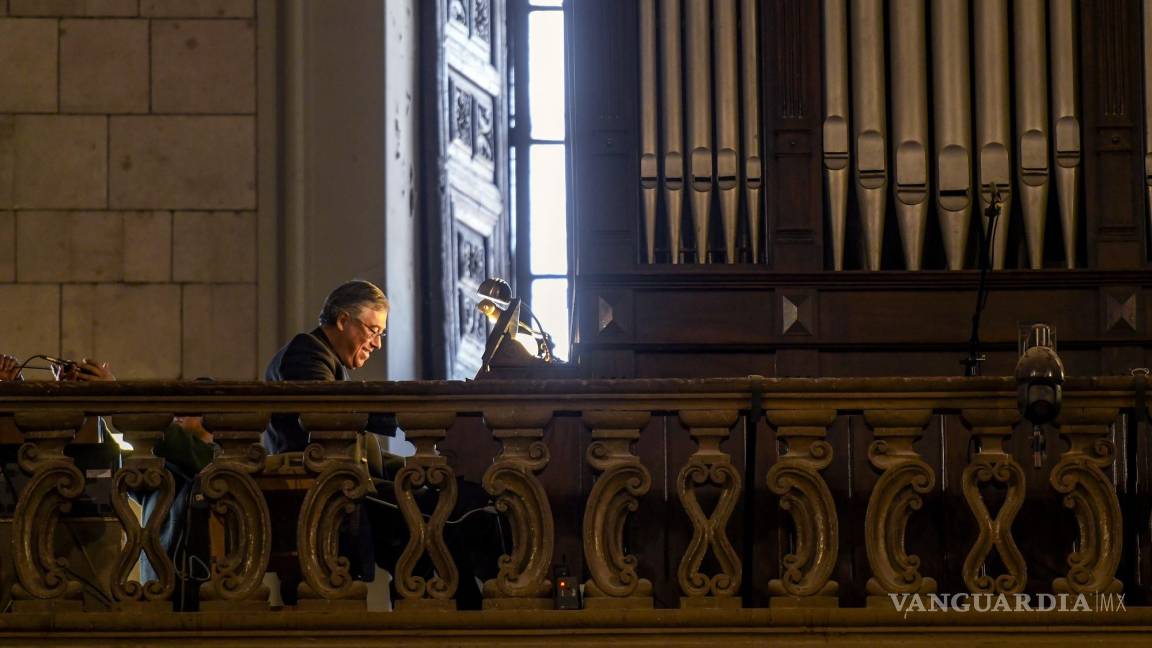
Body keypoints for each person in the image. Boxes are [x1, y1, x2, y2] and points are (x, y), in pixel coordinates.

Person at [264, 280, 504, 609]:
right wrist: (409, 415)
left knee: (454, 500)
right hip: (328, 488)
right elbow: (332, 418)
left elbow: (359, 438)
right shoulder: (307, 353)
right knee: (439, 515)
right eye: (373, 331)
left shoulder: (324, 357)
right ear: (344, 321)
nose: (377, 343)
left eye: (381, 334)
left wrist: (414, 467)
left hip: (346, 480)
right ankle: (463, 612)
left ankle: (472, 605)